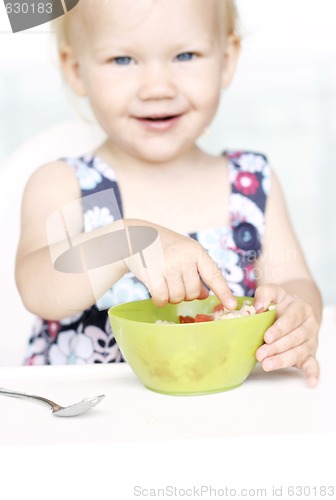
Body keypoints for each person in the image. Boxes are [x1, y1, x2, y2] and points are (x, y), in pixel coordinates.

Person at [15, 0, 321, 386]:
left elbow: (295, 282)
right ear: (76, 70)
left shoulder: (252, 182)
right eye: (123, 60)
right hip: (82, 420)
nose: (157, 88)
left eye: (186, 55)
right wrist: (125, 241)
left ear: (227, 59)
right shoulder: (63, 184)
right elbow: (37, 287)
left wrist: (296, 314)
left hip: (223, 412)